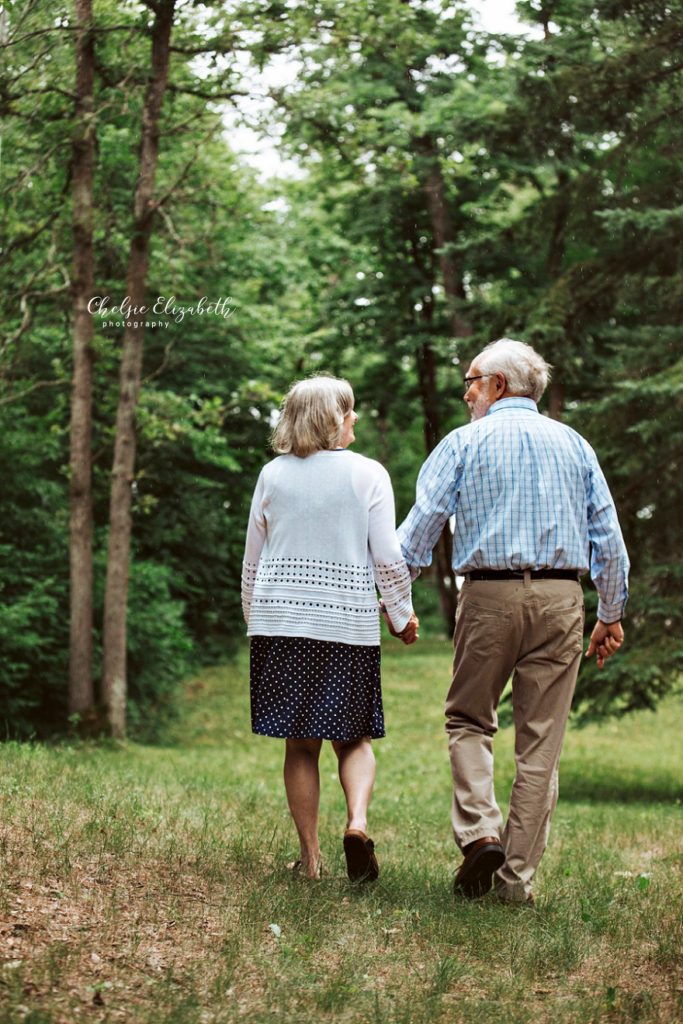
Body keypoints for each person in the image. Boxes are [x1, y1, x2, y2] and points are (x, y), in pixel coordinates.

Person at [396, 338, 629, 904]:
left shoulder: (462, 443)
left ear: (499, 386)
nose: (467, 392)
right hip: (560, 599)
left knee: (469, 720)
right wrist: (610, 614)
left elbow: (416, 535)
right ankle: (514, 883)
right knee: (540, 747)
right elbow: (611, 544)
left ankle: (480, 836)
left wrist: (394, 601)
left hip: (489, 599)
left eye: (472, 380)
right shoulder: (575, 445)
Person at [242, 375, 419, 882]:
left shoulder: (271, 475)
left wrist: (257, 619)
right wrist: (401, 613)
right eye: (349, 410)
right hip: (345, 622)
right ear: (330, 418)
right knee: (355, 738)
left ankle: (311, 860)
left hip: (281, 625)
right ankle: (357, 824)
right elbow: (387, 558)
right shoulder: (369, 475)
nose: (355, 418)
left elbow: (252, 563)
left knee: (299, 745)